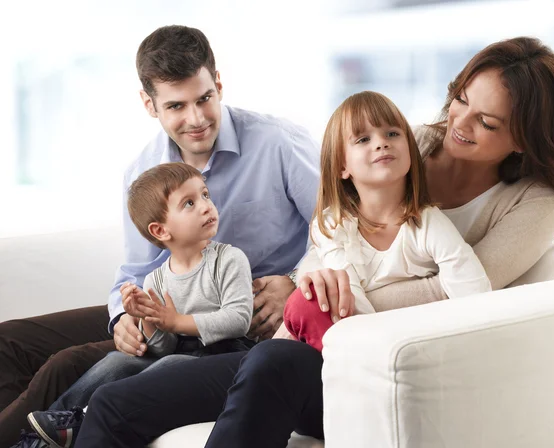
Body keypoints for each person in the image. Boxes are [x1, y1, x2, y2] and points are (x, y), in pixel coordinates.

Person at [72, 36, 554, 448]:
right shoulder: (408, 142)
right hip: (302, 336)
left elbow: (469, 292)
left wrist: (326, 300)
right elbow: (329, 229)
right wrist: (310, 278)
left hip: (366, 354)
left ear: (526, 137)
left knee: (271, 363)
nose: (457, 123)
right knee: (118, 402)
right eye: (459, 100)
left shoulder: (536, 199)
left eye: (487, 122)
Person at [2, 25, 320, 447]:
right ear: (149, 105)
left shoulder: (278, 143)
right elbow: (138, 269)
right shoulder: (143, 171)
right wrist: (124, 317)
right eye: (176, 106)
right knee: (10, 342)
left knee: (68, 363)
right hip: (171, 301)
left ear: (218, 83)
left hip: (238, 316)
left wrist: (297, 285)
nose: (196, 119)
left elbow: (339, 231)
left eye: (204, 98)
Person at [27, 162, 256, 446]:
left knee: (171, 363)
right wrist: (146, 318)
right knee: (116, 361)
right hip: (180, 353)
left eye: (205, 195)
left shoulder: (229, 260)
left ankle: (85, 418)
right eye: (189, 202)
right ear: (160, 231)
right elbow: (163, 346)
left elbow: (238, 319)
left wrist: (176, 322)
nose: (206, 206)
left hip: (224, 356)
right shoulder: (155, 280)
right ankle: (50, 427)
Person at [283, 90, 492, 351]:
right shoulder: (332, 225)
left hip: (417, 343)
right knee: (305, 305)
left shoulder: (426, 223)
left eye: (392, 133)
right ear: (341, 167)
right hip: (356, 345)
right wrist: (377, 355)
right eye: (363, 139)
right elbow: (350, 304)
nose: (381, 143)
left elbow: (475, 293)